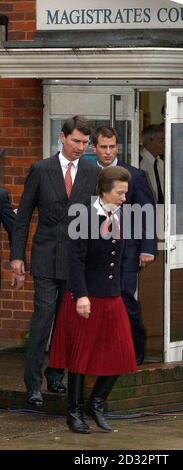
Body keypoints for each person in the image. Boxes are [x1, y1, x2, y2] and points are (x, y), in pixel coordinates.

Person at [10, 115, 99, 406]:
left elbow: (96, 219)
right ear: (62, 137)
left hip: (77, 261)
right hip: (46, 258)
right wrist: (16, 256)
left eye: (85, 143)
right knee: (43, 320)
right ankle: (33, 384)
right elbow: (22, 217)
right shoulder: (41, 169)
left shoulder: (90, 171)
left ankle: (57, 375)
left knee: (70, 323)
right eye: (76, 141)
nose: (80, 147)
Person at [49, 166, 137, 434]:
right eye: (120, 193)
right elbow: (75, 260)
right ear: (105, 190)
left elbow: (121, 258)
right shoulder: (85, 217)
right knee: (80, 357)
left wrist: (123, 288)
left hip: (112, 296)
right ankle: (74, 413)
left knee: (123, 353)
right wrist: (81, 295)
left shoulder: (122, 215)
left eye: (125, 192)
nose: (124, 197)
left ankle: (95, 403)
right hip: (85, 297)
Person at [92, 126, 157, 366]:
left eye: (112, 147)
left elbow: (147, 213)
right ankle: (105, 350)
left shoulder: (135, 175)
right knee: (100, 300)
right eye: (103, 147)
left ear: (118, 147)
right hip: (96, 251)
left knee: (125, 298)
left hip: (128, 249)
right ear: (94, 148)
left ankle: (135, 349)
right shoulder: (88, 174)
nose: (108, 152)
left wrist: (148, 247)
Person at [140, 124, 164, 204]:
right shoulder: (139, 162)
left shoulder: (162, 163)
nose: (164, 144)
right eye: (161, 140)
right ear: (149, 141)